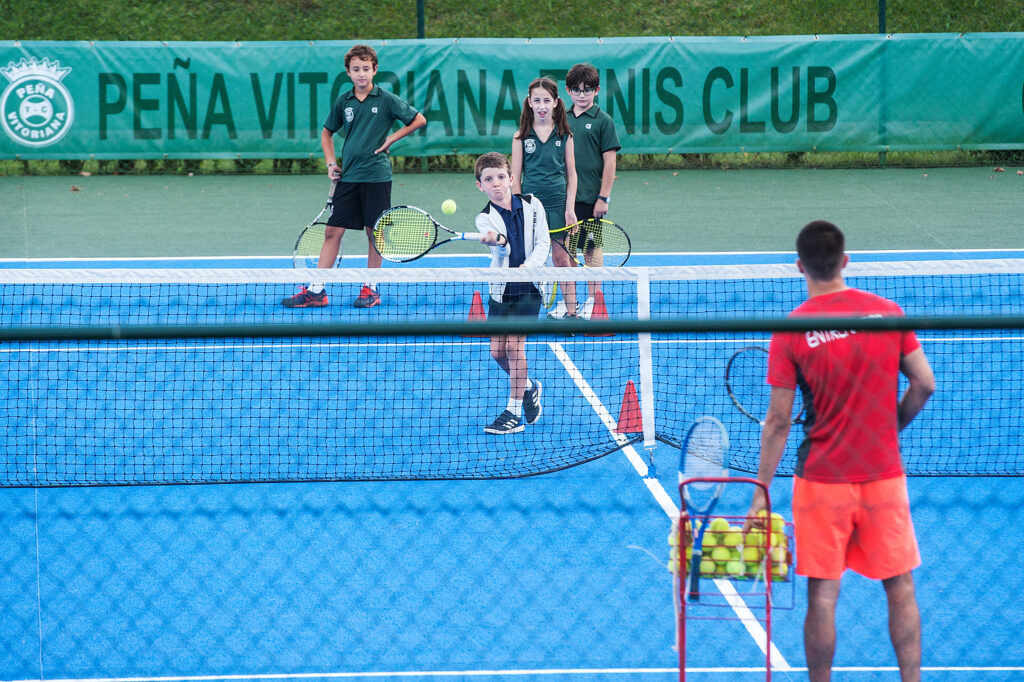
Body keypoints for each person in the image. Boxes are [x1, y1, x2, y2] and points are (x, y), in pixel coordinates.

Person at [744, 220, 936, 682]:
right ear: (845, 261)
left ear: (800, 267)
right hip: (883, 475)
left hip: (821, 481)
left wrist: (760, 493)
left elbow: (777, 422)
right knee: (901, 588)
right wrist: (889, 428)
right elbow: (924, 383)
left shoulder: (791, 331)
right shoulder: (888, 313)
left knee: (823, 597)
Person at [282, 44, 426, 309]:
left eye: (366, 69)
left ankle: (371, 288)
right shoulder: (343, 101)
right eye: (356, 69)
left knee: (374, 233)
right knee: (332, 231)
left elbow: (419, 120)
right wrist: (330, 163)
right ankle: (316, 291)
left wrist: (391, 138)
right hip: (348, 177)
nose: (361, 74)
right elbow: (327, 133)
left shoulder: (387, 99)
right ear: (348, 72)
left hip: (377, 178)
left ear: (375, 70)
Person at [474, 151, 551, 435]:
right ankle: (529, 387)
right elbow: (502, 250)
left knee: (515, 348)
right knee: (497, 352)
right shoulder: (484, 219)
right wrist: (498, 242)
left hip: (529, 288)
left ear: (511, 178)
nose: (496, 184)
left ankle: (514, 410)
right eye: (488, 179)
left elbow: (543, 242)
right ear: (480, 185)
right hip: (501, 289)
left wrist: (528, 268)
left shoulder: (533, 205)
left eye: (501, 177)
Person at [510, 77, 578, 321]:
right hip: (530, 207)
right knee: (526, 260)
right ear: (529, 103)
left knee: (562, 259)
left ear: (556, 103)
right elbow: (515, 176)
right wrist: (517, 208)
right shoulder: (520, 137)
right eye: (536, 100)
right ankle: (521, 312)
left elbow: (572, 174)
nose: (541, 105)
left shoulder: (565, 136)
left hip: (557, 203)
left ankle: (572, 313)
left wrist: (570, 208)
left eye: (546, 100)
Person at [565, 63, 621, 319]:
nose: (582, 95)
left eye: (587, 90)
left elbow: (610, 161)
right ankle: (570, 304)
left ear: (597, 91)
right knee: (566, 249)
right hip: (563, 198)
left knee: (590, 247)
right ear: (568, 91)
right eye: (576, 90)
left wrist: (603, 197)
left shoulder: (603, 121)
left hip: (590, 197)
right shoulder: (560, 120)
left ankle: (593, 299)